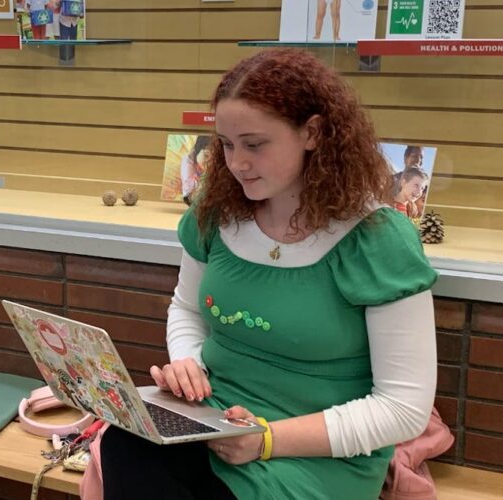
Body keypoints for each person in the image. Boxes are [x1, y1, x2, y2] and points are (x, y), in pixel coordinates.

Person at [100, 48, 438, 499]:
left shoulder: (377, 239)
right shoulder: (216, 212)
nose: (237, 162)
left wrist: (266, 440)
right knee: (125, 443)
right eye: (226, 143)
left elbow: (403, 409)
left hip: (317, 457)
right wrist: (187, 362)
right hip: (215, 423)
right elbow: (185, 308)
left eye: (255, 145)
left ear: (312, 133)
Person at [180, 135, 211, 206]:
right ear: (197, 150)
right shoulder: (188, 161)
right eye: (206, 155)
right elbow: (189, 195)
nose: (210, 161)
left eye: (214, 157)